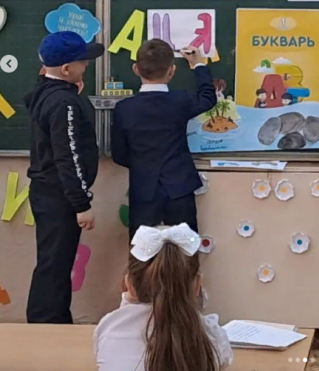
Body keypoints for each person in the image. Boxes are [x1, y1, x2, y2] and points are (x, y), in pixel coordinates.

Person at [25, 31, 104, 323]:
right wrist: (81, 204)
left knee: (54, 263)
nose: (87, 66)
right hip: (59, 196)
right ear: (67, 69)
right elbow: (68, 155)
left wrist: (71, 89)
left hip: (47, 191)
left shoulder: (49, 92)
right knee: (55, 266)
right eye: (83, 62)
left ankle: (55, 320)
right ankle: (46, 324)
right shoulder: (63, 103)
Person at [111, 39, 217, 239]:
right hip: (179, 188)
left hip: (143, 190)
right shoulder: (181, 101)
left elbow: (118, 154)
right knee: (184, 249)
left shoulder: (124, 109)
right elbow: (207, 98)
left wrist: (143, 166)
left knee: (143, 251)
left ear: (135, 69)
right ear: (172, 70)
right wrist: (198, 65)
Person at [94, 223, 232, 371]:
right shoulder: (213, 336)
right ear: (198, 284)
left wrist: (127, 305)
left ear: (129, 283)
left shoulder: (109, 328)